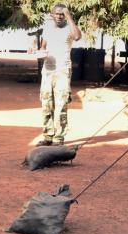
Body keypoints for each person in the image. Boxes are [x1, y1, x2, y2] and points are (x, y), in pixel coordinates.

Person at [34, 4, 80, 146]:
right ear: (52, 15)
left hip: (62, 69)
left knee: (61, 104)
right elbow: (43, 47)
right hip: (48, 70)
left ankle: (58, 138)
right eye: (57, 14)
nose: (59, 16)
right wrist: (40, 53)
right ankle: (48, 136)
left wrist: (69, 16)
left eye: (62, 14)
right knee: (46, 103)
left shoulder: (70, 27)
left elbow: (77, 36)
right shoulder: (48, 28)